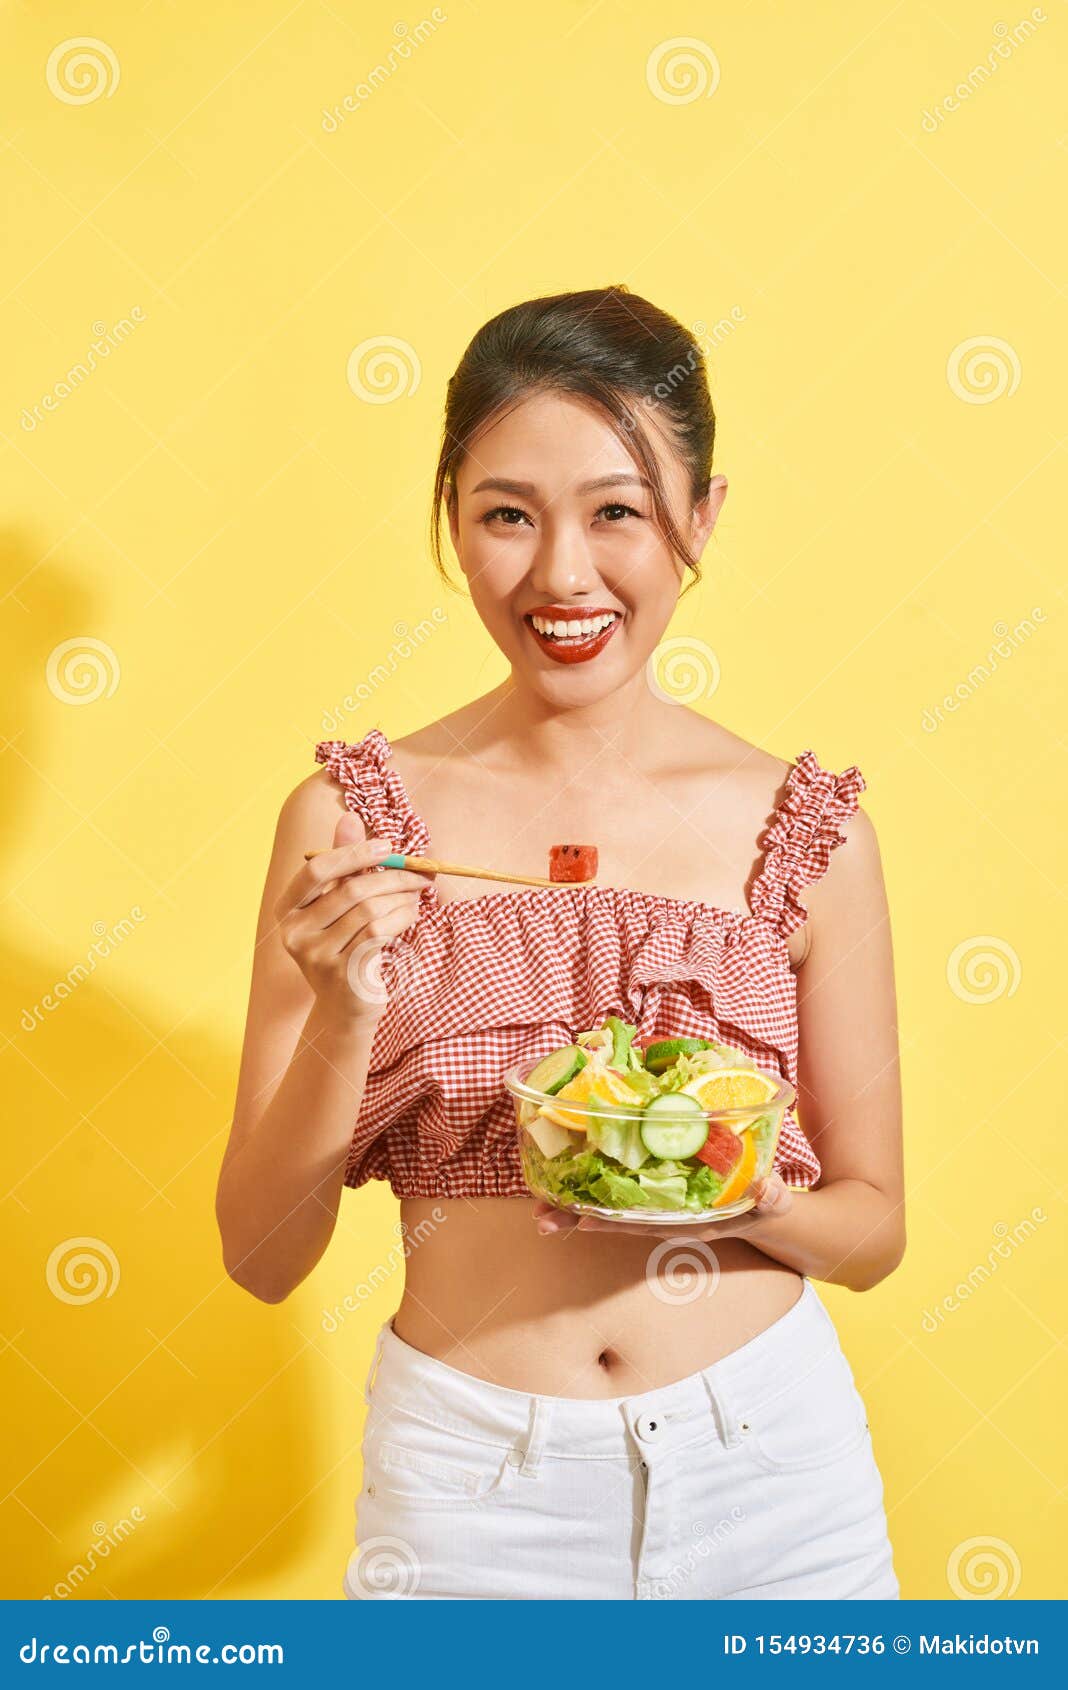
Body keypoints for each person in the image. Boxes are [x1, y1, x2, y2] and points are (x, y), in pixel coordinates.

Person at [216, 285, 904, 1601]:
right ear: (451, 518)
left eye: (618, 511)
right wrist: (345, 1011)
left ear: (701, 518)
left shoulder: (805, 831)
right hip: (475, 1491)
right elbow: (262, 1256)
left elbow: (872, 1229)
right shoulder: (356, 823)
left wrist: (738, 1190)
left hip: (773, 1473)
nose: (562, 576)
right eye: (507, 514)